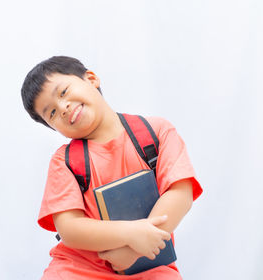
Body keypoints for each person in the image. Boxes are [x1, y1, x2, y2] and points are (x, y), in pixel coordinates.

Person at [21, 56, 203, 280]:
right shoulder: (64, 161)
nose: (63, 108)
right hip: (78, 268)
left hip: (149, 264)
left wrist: (133, 251)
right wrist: (130, 234)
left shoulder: (156, 132)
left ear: (91, 79)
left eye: (63, 92)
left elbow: (180, 194)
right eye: (52, 113)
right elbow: (69, 228)